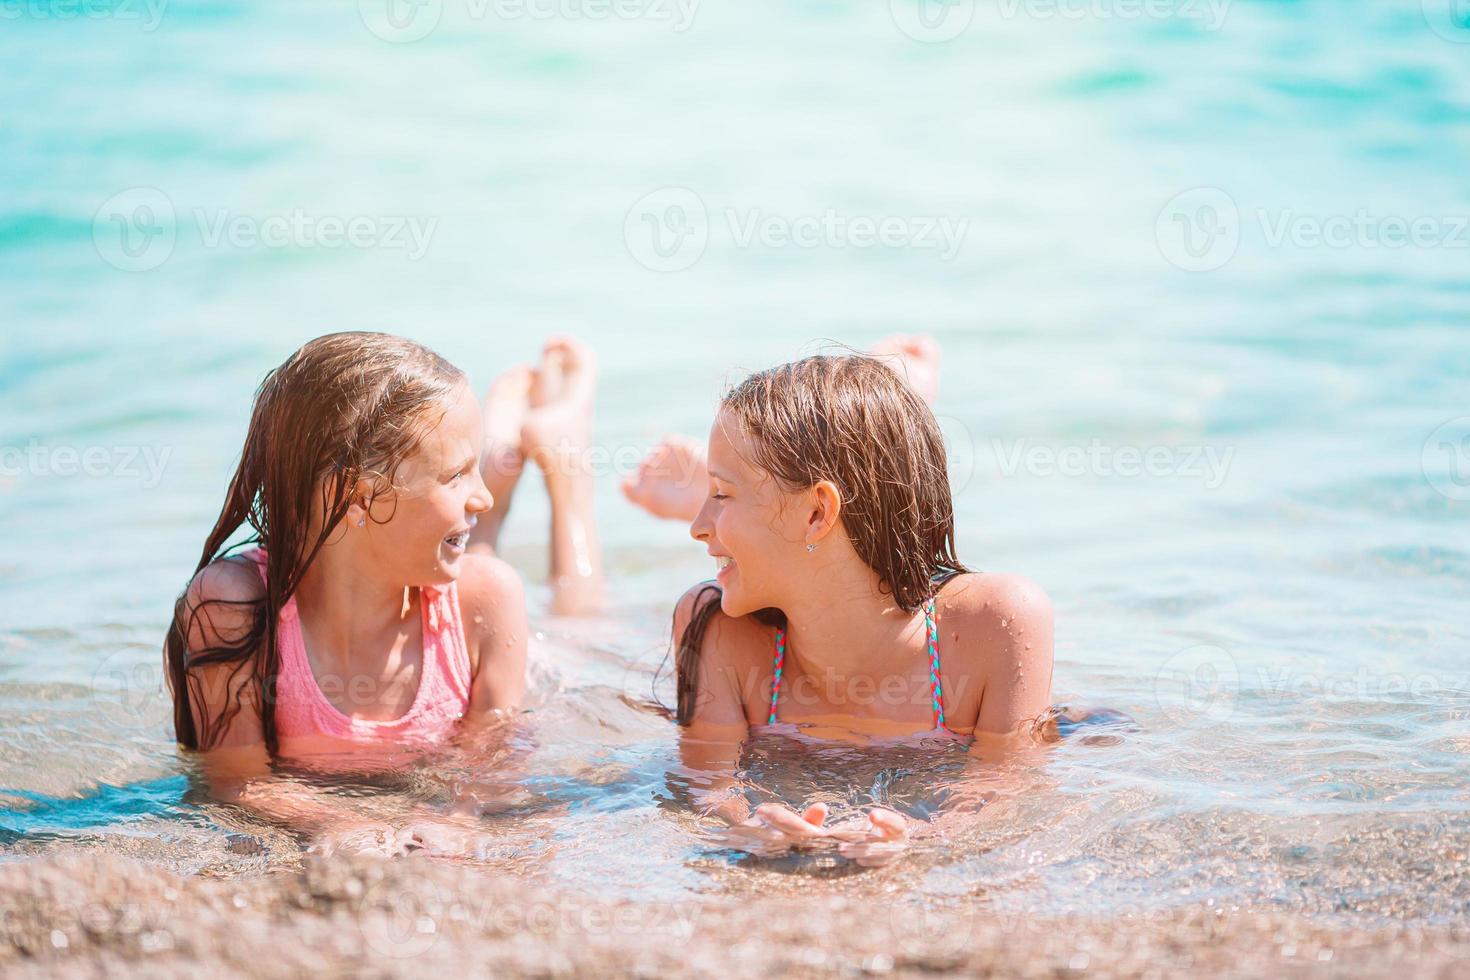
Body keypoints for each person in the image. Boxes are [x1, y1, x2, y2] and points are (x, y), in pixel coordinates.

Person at [163, 332, 601, 856]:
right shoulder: (232, 606)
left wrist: (458, 816)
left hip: (491, 628)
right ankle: (502, 454)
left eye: (475, 472)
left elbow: (494, 758)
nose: (476, 494)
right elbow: (232, 778)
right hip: (436, 564)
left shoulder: (486, 599)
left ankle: (565, 460)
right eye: (457, 474)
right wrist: (331, 821)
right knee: (473, 538)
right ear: (356, 496)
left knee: (579, 613)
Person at [662, 349, 1054, 866]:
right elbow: (706, 784)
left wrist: (917, 840)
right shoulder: (716, 629)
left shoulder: (992, 625)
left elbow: (1005, 786)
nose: (697, 525)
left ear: (817, 512)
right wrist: (749, 826)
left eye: (721, 494)